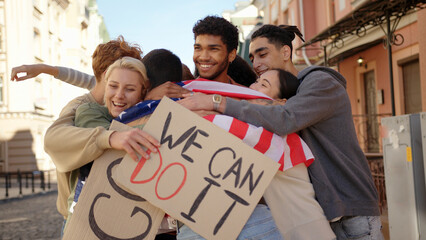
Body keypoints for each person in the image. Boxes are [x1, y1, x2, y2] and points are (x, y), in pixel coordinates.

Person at [178, 24, 383, 240]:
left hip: (351, 209)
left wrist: (215, 101)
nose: (256, 64)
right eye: (252, 57)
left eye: (262, 54)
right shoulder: (282, 95)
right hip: (326, 210)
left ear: (286, 52)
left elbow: (286, 119)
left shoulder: (320, 82)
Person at [10, 36, 160, 232]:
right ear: (109, 75)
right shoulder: (81, 107)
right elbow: (52, 138)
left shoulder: (114, 96)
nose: (121, 91)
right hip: (78, 216)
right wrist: (109, 137)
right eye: (115, 83)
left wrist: (46, 69)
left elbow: (85, 78)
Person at [65, 56, 151, 231]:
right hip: (84, 224)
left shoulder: (149, 116)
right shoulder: (89, 111)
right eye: (113, 86)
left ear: (143, 91)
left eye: (130, 89)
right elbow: (112, 138)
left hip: (128, 224)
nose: (119, 95)